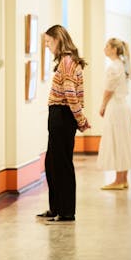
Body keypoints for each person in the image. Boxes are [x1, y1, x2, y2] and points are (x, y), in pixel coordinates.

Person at [38, 25, 90, 224]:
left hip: (62, 115)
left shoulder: (67, 61)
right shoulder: (65, 61)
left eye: (49, 42)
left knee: (62, 165)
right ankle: (56, 208)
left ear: (59, 40)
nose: (47, 46)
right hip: (58, 115)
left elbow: (70, 94)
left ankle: (66, 211)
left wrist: (81, 119)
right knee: (52, 164)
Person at [97, 38, 131, 190]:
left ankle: (118, 180)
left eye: (107, 46)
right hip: (123, 107)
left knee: (117, 141)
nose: (105, 48)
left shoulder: (113, 67)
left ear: (114, 49)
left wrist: (102, 106)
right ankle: (123, 178)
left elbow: (109, 90)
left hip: (115, 107)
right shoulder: (122, 64)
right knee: (123, 141)